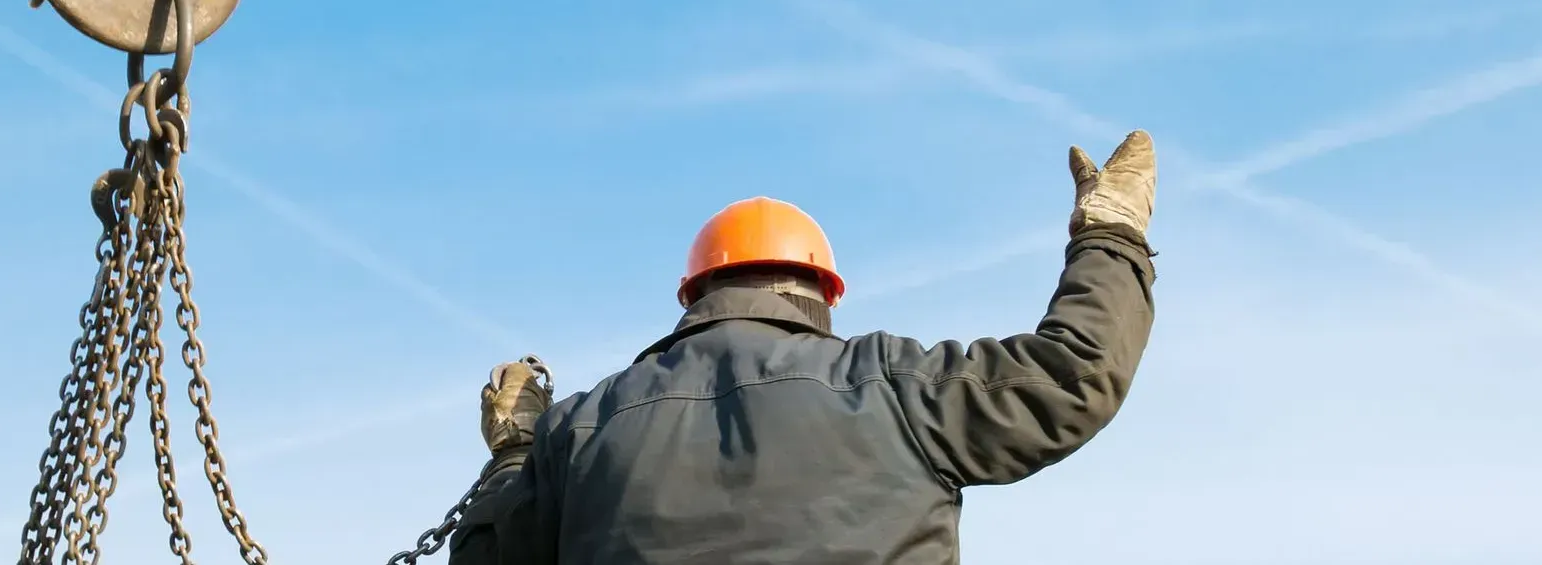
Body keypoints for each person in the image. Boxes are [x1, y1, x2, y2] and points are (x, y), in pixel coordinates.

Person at [449, 131, 1158, 565]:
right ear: (825, 294)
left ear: (691, 293)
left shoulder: (584, 427)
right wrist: (1111, 234)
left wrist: (516, 450)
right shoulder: (892, 384)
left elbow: (488, 557)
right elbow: (1073, 373)